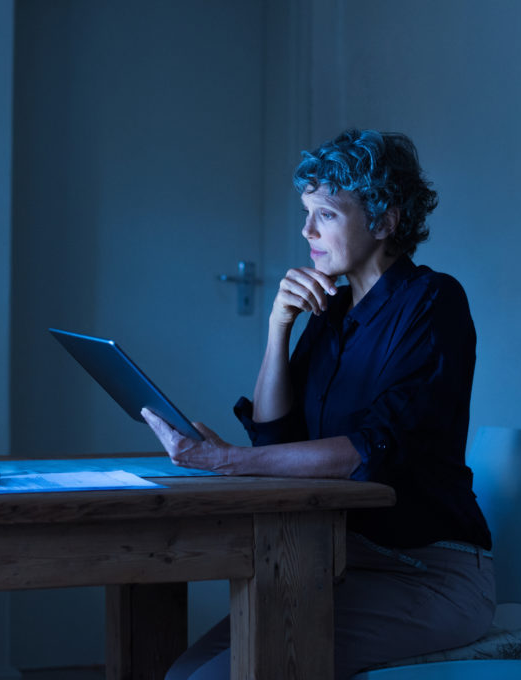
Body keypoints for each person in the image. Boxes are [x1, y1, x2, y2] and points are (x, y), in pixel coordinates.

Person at [142, 129, 495, 679]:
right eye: (305, 214)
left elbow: (367, 451)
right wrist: (278, 328)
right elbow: (276, 439)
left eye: (324, 215)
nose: (305, 231)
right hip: (336, 561)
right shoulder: (330, 308)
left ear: (384, 220)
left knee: (220, 678)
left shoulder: (433, 302)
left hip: (428, 574)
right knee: (181, 672)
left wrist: (226, 462)